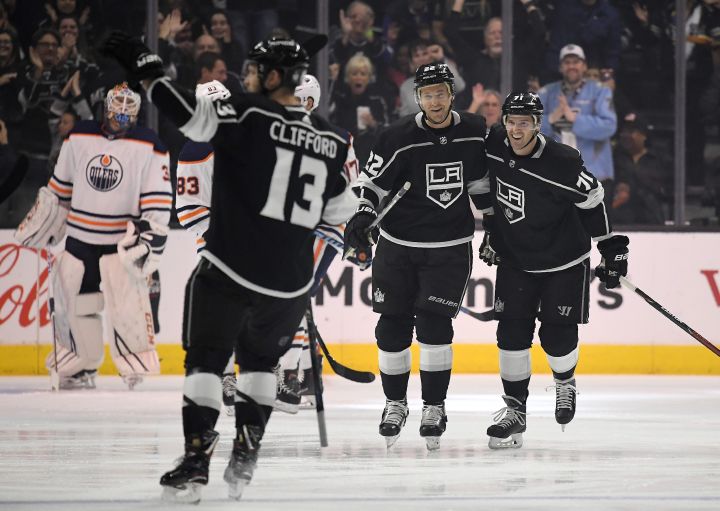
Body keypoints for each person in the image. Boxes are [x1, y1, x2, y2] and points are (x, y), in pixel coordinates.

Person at [102, 34, 358, 502]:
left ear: (275, 76)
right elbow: (341, 208)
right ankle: (246, 452)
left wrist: (147, 68)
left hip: (230, 266)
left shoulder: (249, 113)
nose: (249, 77)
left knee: (205, 361)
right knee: (260, 363)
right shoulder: (329, 139)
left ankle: (197, 457)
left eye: (257, 70)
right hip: (289, 282)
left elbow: (189, 116)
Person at [345, 62, 491, 451]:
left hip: (448, 249)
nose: (435, 100)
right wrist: (362, 214)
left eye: (441, 92)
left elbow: (480, 184)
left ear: (451, 94)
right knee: (391, 329)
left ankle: (434, 407)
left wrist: (494, 227)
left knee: (433, 328)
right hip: (397, 245)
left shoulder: (476, 131)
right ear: (417, 98)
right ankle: (395, 404)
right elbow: (372, 184)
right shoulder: (396, 136)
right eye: (428, 94)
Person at [479, 91, 629, 449]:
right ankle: (515, 410)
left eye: (525, 123)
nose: (517, 129)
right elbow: (483, 188)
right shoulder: (494, 146)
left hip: (564, 260)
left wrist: (610, 248)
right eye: (512, 121)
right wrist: (491, 230)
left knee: (556, 336)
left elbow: (593, 200)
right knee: (511, 335)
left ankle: (565, 383)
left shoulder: (562, 161)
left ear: (537, 124)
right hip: (517, 259)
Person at [13, 82, 171, 390]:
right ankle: (81, 365)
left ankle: (133, 363)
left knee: (127, 305)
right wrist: (48, 223)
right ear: (107, 108)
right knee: (76, 305)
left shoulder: (151, 144)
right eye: (117, 112)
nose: (121, 119)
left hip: (119, 243)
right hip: (80, 240)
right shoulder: (80, 136)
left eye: (128, 113)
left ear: (137, 113)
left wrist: (148, 234)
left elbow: (157, 200)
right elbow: (60, 188)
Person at [537, 44, 617, 182]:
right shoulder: (547, 93)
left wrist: (574, 119)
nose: (571, 66)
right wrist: (550, 119)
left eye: (576, 62)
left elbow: (609, 126)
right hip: (556, 175)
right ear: (560, 67)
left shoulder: (600, 91)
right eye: (567, 63)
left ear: (584, 66)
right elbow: (527, 127)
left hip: (593, 176)